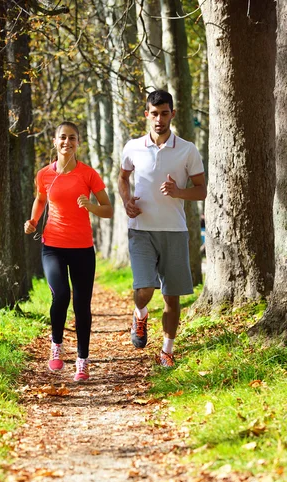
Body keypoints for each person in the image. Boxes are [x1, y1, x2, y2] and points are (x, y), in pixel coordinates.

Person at [118, 90, 207, 367]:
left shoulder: (187, 150)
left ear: (172, 114)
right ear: (147, 115)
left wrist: (178, 191)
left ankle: (167, 350)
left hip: (174, 231)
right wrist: (125, 201)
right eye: (154, 113)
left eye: (164, 113)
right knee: (144, 288)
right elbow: (122, 178)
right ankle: (140, 314)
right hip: (141, 229)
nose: (159, 119)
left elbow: (202, 191)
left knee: (171, 296)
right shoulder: (132, 147)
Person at [24, 121, 113, 381]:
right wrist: (33, 221)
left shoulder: (88, 174)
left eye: (72, 138)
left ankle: (82, 361)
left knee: (82, 305)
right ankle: (56, 345)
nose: (67, 142)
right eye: (62, 137)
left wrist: (90, 205)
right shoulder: (44, 175)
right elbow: (41, 199)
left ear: (78, 142)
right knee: (60, 295)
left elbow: (107, 209)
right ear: (55, 141)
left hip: (83, 248)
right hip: (52, 246)